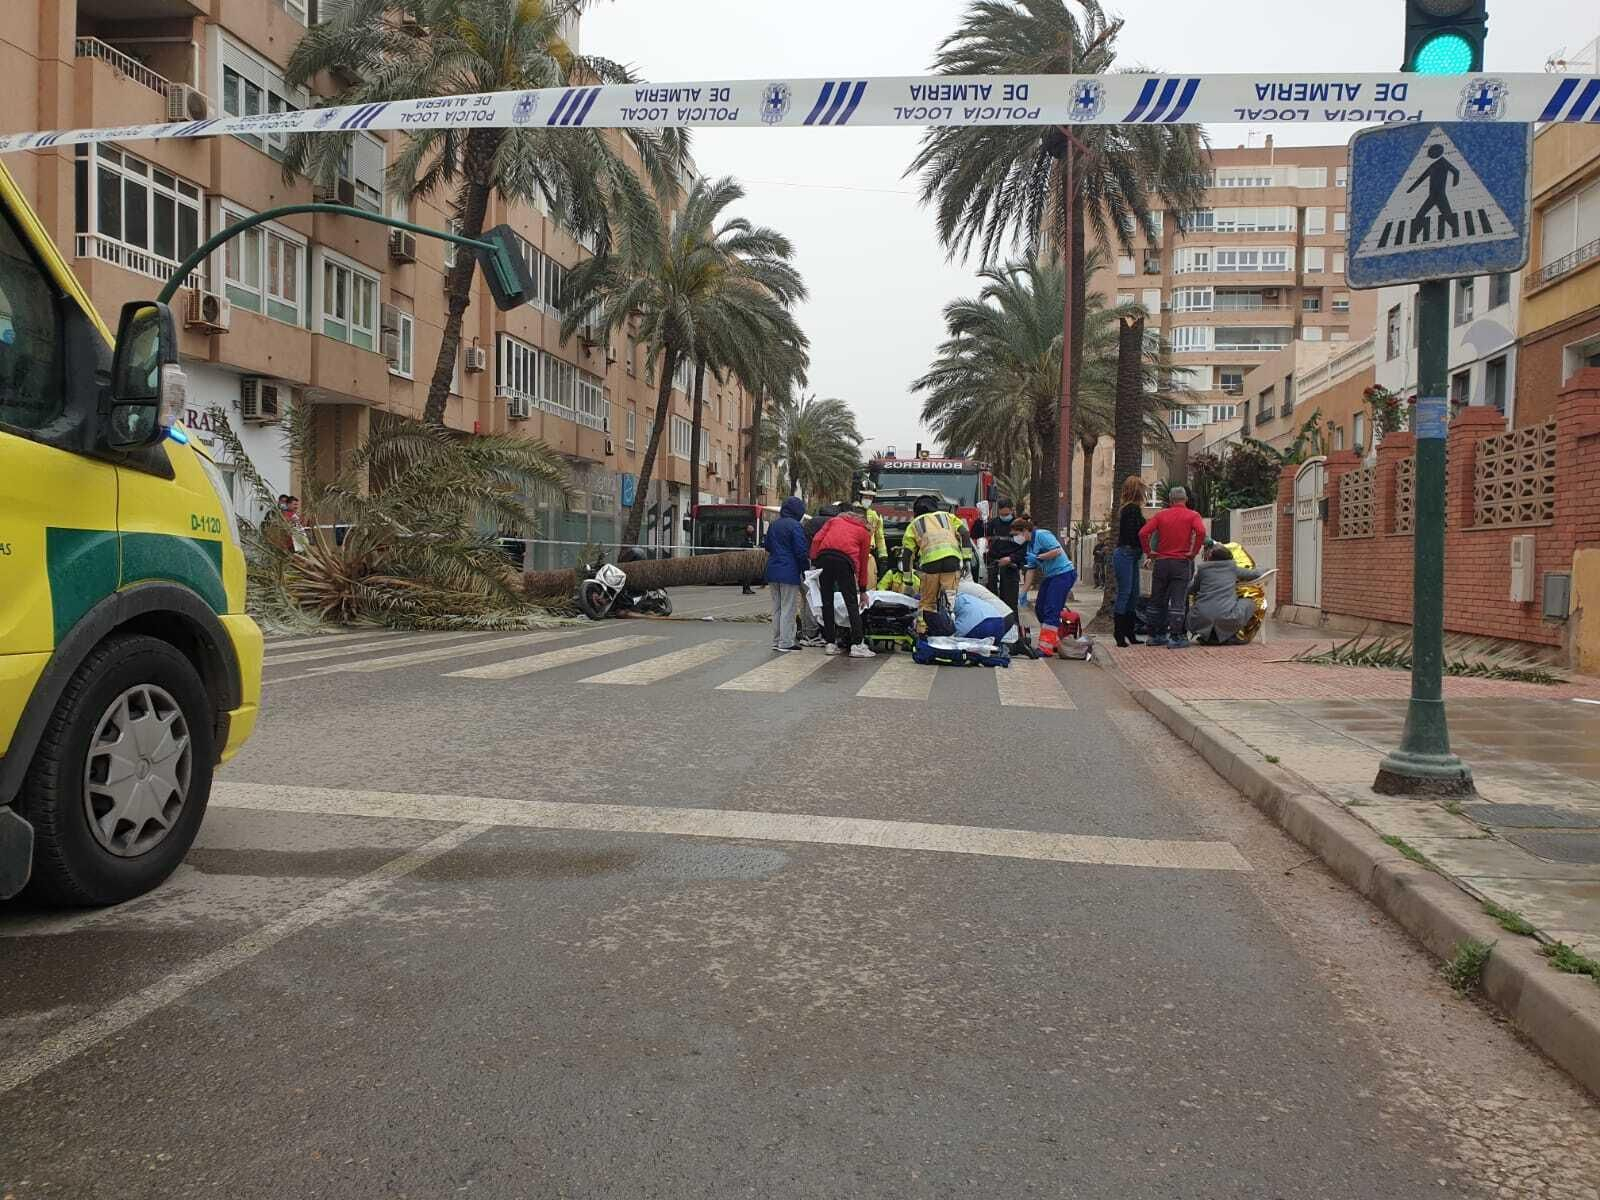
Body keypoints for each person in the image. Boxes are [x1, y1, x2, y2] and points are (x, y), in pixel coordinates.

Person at [1139, 486, 1208, 649]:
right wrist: (1193, 552)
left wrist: (1149, 552)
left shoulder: (1161, 515)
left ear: (1170, 500)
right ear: (1186, 499)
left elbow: (1143, 533)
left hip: (1162, 562)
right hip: (1181, 562)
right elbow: (1201, 531)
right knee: (1178, 600)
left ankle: (1156, 635)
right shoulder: (1193, 515)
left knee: (1157, 600)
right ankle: (1176, 637)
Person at [809, 507, 875, 657]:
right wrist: (863, 590)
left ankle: (830, 644)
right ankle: (857, 644)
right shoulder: (864, 532)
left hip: (824, 558)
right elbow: (863, 563)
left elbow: (817, 540)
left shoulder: (834, 521)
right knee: (851, 602)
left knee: (827, 601)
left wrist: (814, 561)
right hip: (845, 562)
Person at [1010, 518, 1077, 657]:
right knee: (1040, 609)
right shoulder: (1029, 545)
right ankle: (1055, 640)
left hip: (1063, 574)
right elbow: (1031, 570)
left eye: (1017, 534)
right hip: (1051, 576)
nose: (1016, 538)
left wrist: (1039, 557)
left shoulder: (1042, 535)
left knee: (1051, 609)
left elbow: (1057, 551)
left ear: (1025, 531)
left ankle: (1046, 647)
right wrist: (1023, 592)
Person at [902, 496, 964, 634]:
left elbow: (907, 554)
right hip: (952, 562)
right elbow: (965, 533)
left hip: (930, 565)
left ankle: (923, 632)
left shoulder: (914, 524)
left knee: (927, 604)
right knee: (950, 601)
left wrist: (908, 579)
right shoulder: (948, 516)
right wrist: (966, 558)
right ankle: (951, 630)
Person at [1187, 543, 1264, 645]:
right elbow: (1255, 574)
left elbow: (1191, 589)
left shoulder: (1202, 569)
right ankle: (1229, 635)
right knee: (1250, 603)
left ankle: (1208, 635)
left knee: (1202, 607)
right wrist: (1266, 569)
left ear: (1210, 557)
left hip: (1201, 616)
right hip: (1226, 617)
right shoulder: (1232, 567)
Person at [761, 497, 810, 653]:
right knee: (788, 607)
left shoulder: (774, 524)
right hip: (789, 571)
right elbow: (801, 551)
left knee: (777, 608)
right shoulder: (796, 526)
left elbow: (767, 546)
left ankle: (776, 640)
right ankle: (786, 642)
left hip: (772, 570)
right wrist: (805, 569)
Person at [1112, 475, 1147, 648]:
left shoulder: (1128, 509)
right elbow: (1134, 533)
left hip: (1129, 553)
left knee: (1132, 593)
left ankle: (1127, 632)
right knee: (1127, 593)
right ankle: (1121, 633)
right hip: (1127, 552)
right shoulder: (1132, 509)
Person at [859, 484, 889, 584]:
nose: (868, 499)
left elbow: (879, 537)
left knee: (870, 584)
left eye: (870, 497)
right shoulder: (851, 512)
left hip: (869, 554)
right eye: (865, 496)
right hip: (854, 553)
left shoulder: (875, 515)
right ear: (859, 496)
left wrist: (883, 556)